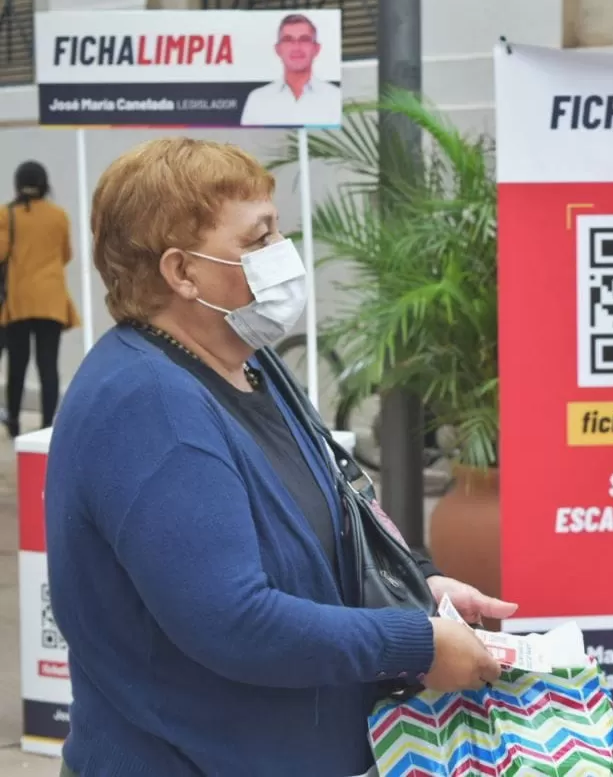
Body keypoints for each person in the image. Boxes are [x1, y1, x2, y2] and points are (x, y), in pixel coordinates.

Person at [45, 137, 514, 777]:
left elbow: (329, 527)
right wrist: (416, 644)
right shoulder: (149, 404)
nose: (280, 256)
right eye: (256, 239)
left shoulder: (249, 363)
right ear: (181, 273)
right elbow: (235, 621)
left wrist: (421, 590)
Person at [0, 160, 80, 437]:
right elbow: (66, 254)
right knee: (48, 364)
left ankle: (13, 423)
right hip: (51, 299)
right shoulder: (59, 215)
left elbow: (1, 253)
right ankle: (47, 425)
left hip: (19, 300)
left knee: (17, 364)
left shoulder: (7, 214)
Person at [240, 13, 342, 127]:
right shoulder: (257, 99)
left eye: (304, 40)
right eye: (288, 40)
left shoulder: (336, 98)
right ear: (278, 49)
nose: (296, 47)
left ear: (316, 49)